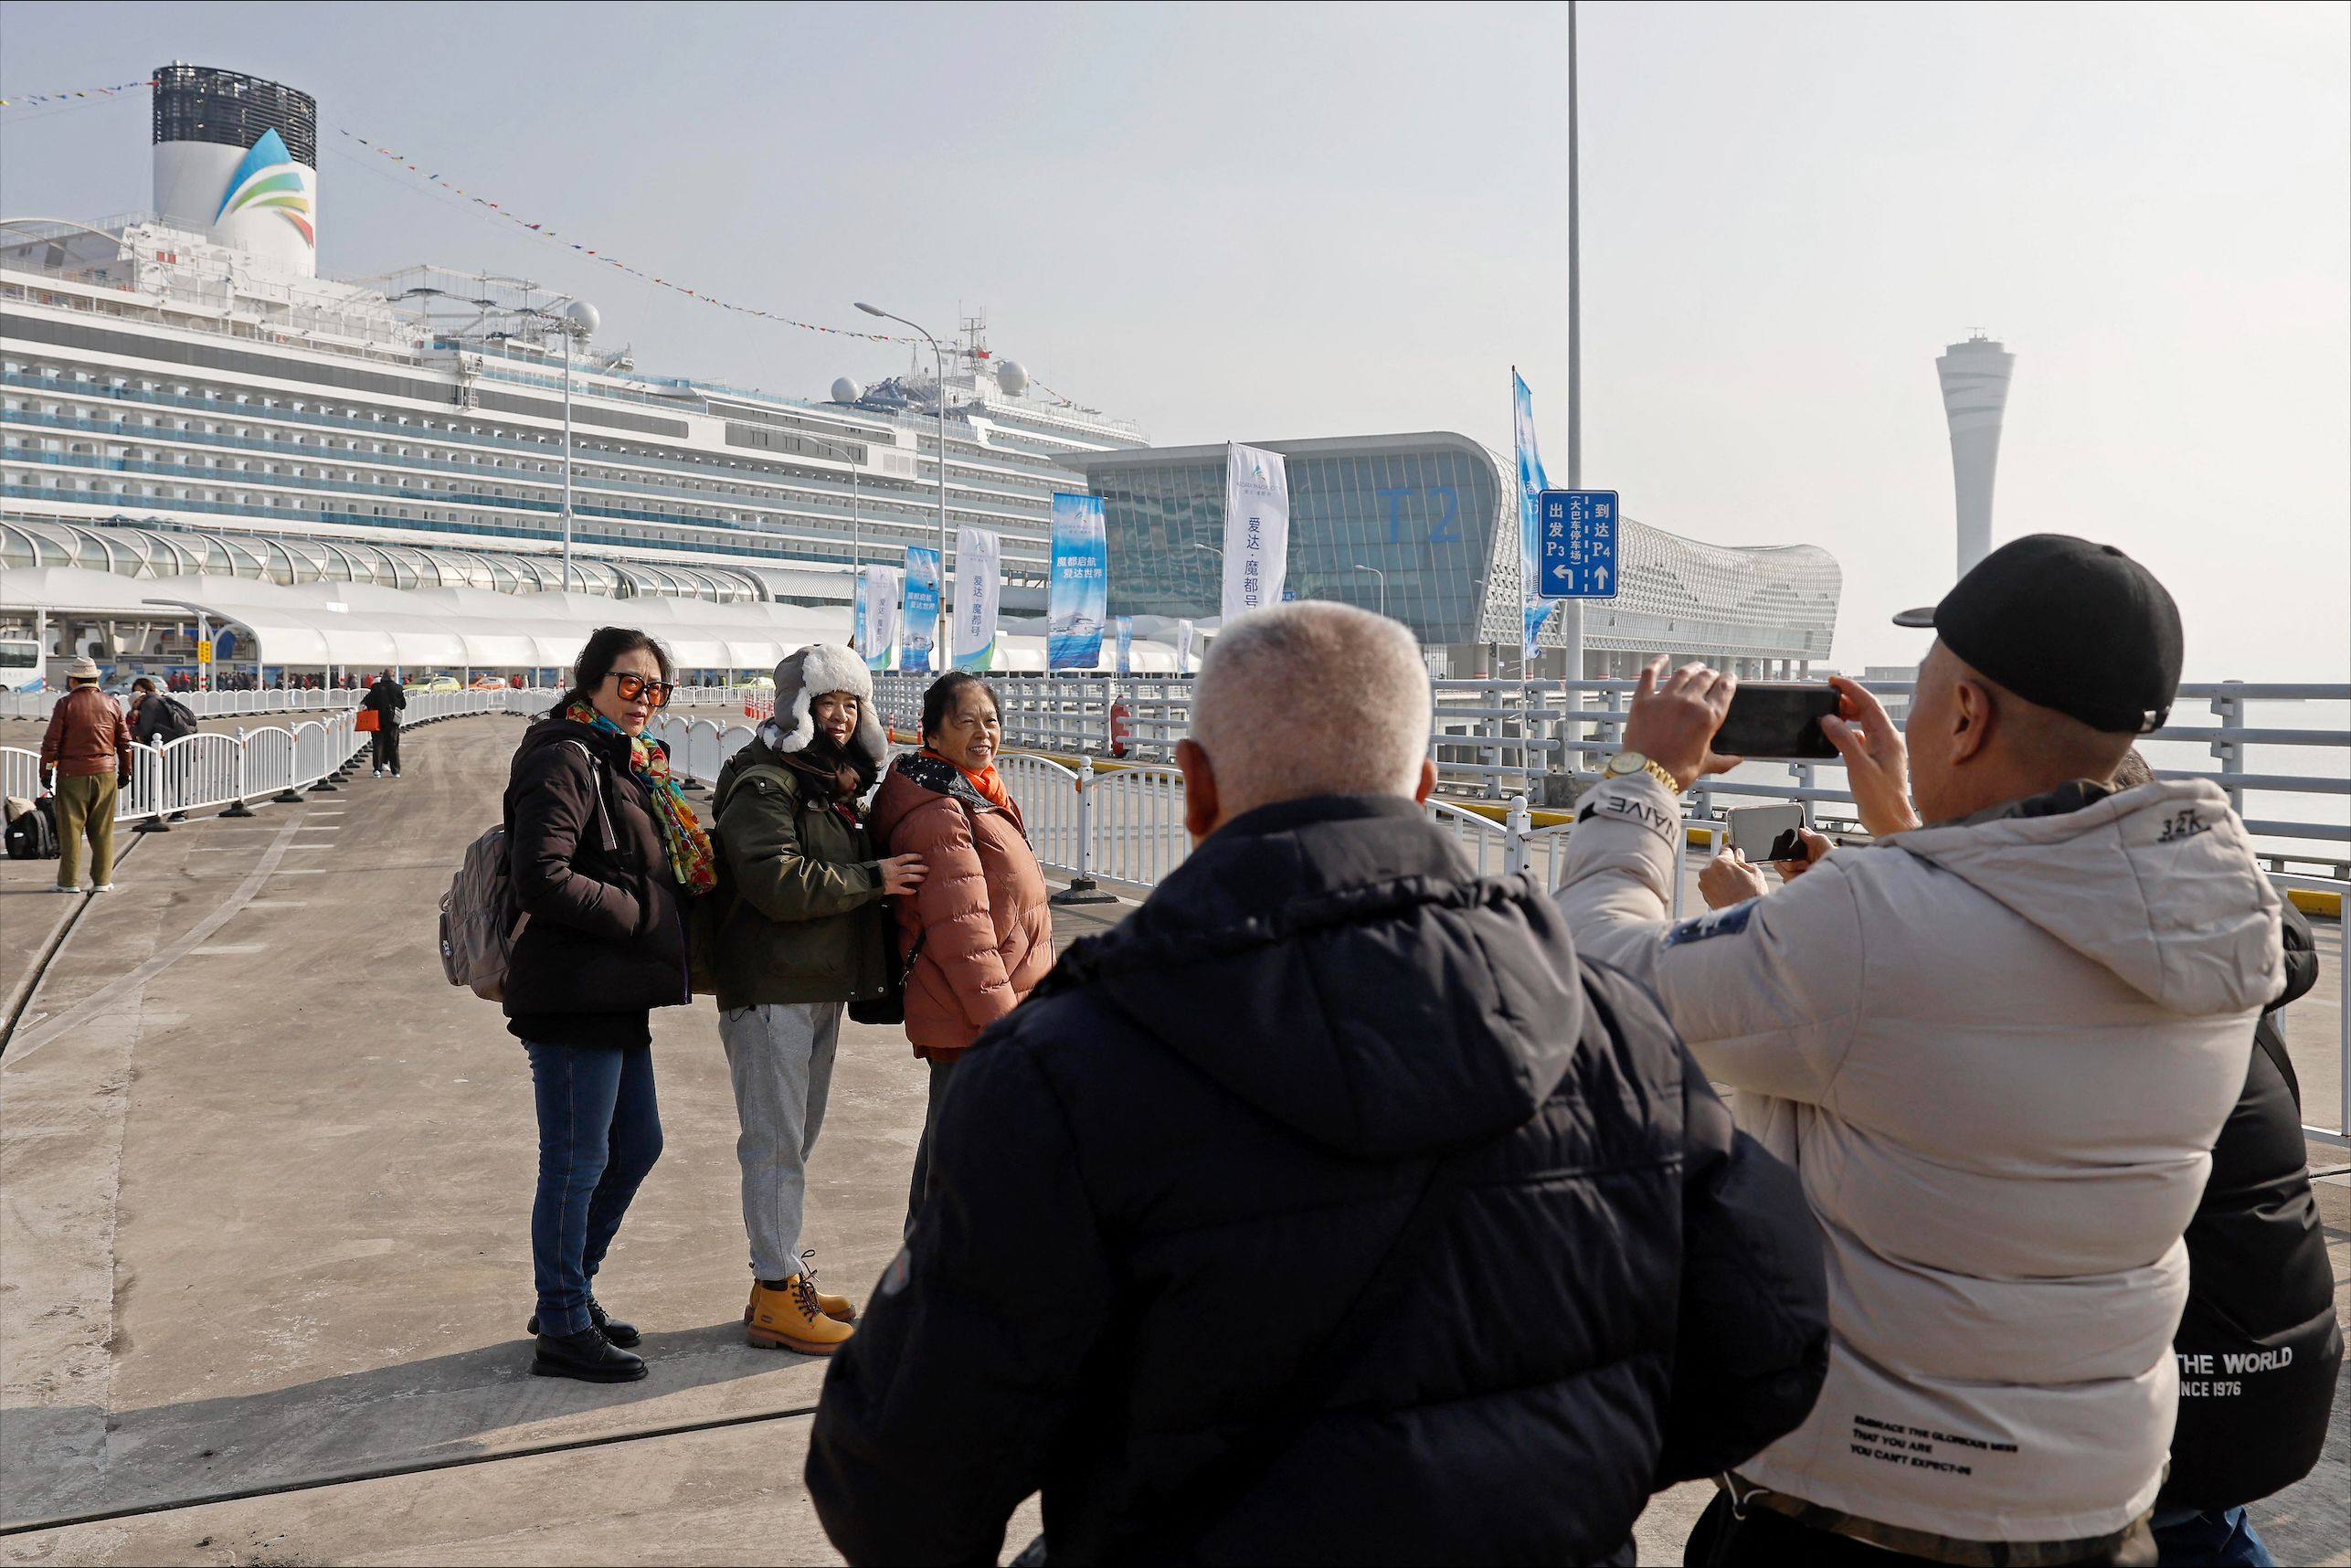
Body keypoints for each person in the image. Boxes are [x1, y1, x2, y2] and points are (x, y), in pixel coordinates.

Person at [807, 603, 1831, 1565]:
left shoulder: (1061, 1069)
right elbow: (1771, 1344)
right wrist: (1561, 1466)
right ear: (1425, 784)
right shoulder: (1614, 1032)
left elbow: (899, 1486)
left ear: (1194, 788)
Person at [1554, 535, 2282, 1566]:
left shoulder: (1873, 927)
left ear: (1965, 714)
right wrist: (1911, 828)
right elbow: (1992, 956)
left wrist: (1640, 782)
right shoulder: (2213, 911)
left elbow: (1594, 979)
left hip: (1867, 1508)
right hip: (2090, 1509)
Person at [2103, 762, 2341, 1566]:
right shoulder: (2228, 950)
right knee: (2204, 1528)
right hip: (2267, 1367)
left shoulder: (2086, 976)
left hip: (2165, 1392)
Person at [503, 628, 714, 1383]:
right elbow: (542, 875)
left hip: (614, 990)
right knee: (575, 1161)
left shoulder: (626, 763)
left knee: (636, 1146)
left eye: (657, 689)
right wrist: (639, 915)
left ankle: (568, 1291)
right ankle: (561, 1324)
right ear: (589, 682)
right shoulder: (564, 755)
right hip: (571, 992)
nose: (645, 701)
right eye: (630, 684)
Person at [710, 645, 926, 1356]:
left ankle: (777, 1274)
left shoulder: (828, 783)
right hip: (771, 988)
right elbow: (777, 881)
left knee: (793, 1142)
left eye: (851, 703)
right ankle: (777, 1295)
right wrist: (872, 878)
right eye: (826, 701)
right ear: (795, 705)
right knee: (774, 1146)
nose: (840, 715)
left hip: (812, 986)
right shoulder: (767, 782)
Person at [865, 671, 1054, 1228]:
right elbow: (963, 934)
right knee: (965, 1155)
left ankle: (933, 1279)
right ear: (931, 731)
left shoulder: (972, 791)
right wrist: (1006, 1028)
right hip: (971, 1014)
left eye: (990, 719)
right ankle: (935, 1285)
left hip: (985, 1010)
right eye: (964, 720)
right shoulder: (940, 809)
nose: (982, 732)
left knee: (955, 1147)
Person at [38, 656, 132, 895]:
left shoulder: (65, 704)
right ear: (95, 678)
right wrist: (125, 772)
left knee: (70, 830)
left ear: (73, 680)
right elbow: (124, 742)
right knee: (102, 829)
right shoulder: (112, 703)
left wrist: (46, 772)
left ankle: (69, 882)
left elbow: (51, 744)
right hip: (105, 772)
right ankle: (102, 880)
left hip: (72, 774)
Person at [360, 671, 406, 778]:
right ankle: (396, 771)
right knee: (393, 745)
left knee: (378, 745)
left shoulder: (376, 687)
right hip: (393, 721)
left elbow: (368, 701)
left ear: (382, 677)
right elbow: (403, 705)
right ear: (393, 677)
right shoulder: (398, 688)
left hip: (377, 720)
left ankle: (377, 770)